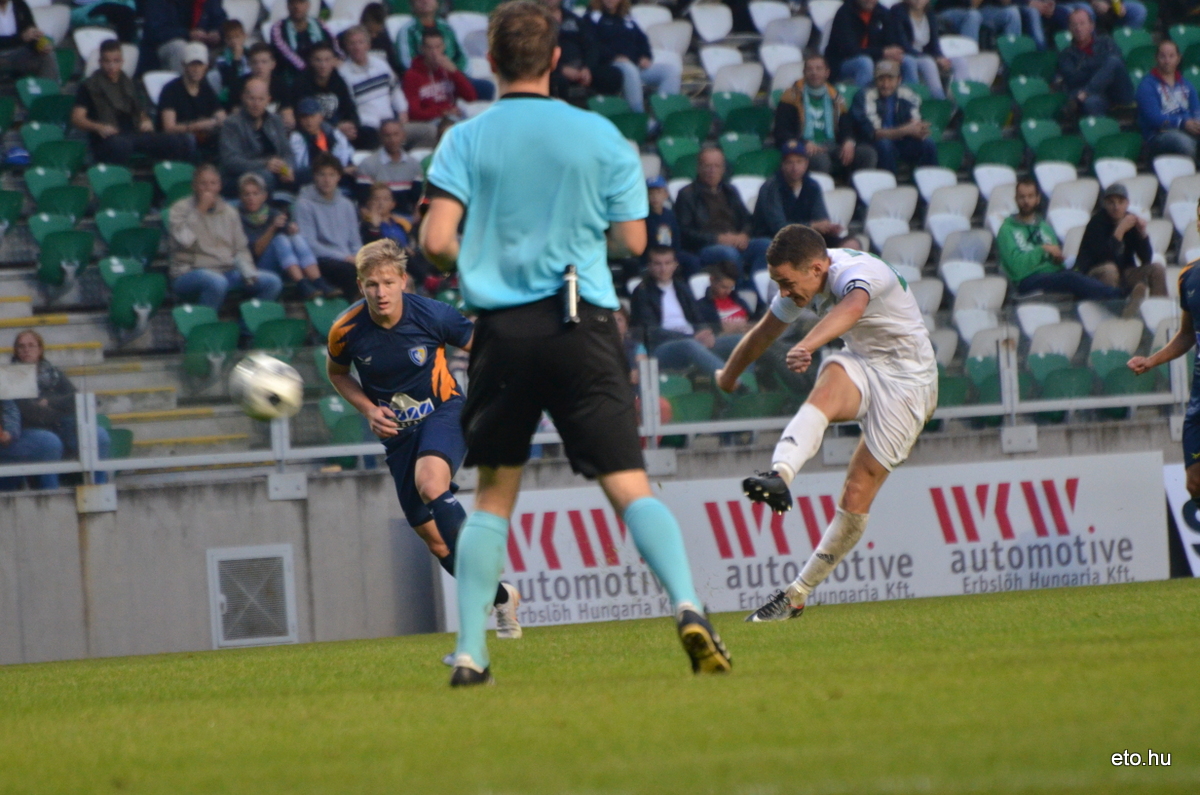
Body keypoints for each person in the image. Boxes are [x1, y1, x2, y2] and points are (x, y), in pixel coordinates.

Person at [420, 1, 730, 685]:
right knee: (629, 484)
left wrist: (485, 259)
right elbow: (634, 241)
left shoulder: (464, 139)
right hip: (583, 323)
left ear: (491, 61)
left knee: (493, 495)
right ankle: (687, 604)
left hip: (504, 330)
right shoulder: (602, 136)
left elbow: (436, 241)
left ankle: (471, 651)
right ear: (556, 60)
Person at [715, 226, 938, 622]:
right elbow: (763, 334)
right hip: (865, 363)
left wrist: (807, 344)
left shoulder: (857, 272)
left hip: (909, 384)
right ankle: (780, 474)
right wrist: (728, 376)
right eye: (778, 284)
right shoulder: (803, 280)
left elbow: (852, 307)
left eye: (786, 283)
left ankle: (796, 595)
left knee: (856, 492)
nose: (783, 292)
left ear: (817, 269)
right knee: (831, 378)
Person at [326, 239, 522, 648]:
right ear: (360, 285)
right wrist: (368, 409)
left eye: (388, 283)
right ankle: (502, 597)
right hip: (398, 437)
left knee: (431, 484)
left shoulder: (432, 315)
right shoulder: (345, 330)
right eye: (371, 284)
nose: (380, 292)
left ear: (403, 281)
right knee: (436, 542)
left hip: (444, 413)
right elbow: (338, 374)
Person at [1127, 204, 1200, 498]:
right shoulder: (1189, 276)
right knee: (1194, 483)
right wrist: (1151, 360)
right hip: (1199, 401)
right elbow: (1187, 334)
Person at [169, 164, 283, 311]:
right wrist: (200, 210)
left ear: (219, 186)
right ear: (194, 186)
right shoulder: (179, 209)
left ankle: (247, 324)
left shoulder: (229, 212)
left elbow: (240, 248)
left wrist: (247, 269)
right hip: (189, 272)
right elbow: (184, 240)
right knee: (216, 281)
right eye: (203, 183)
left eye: (213, 183)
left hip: (226, 271)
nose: (208, 188)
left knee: (272, 282)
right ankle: (206, 323)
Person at [997, 176, 1125, 300]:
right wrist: (1043, 250)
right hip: (1027, 279)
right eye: (1022, 197)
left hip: (1053, 274)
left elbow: (1056, 260)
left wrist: (1058, 259)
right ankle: (1119, 296)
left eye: (1030, 196)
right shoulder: (1006, 230)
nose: (1026, 201)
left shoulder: (1044, 227)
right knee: (1070, 278)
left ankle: (1115, 299)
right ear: (1016, 199)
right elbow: (1016, 268)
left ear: (1038, 199)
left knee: (1086, 272)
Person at [9, 330, 111, 484]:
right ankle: (50, 491)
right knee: (50, 442)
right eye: (21, 346)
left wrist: (50, 402)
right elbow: (31, 413)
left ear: (40, 349)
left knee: (99, 435)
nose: (26, 350)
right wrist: (60, 410)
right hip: (30, 430)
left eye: (31, 345)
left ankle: (99, 486)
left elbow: (75, 399)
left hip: (62, 426)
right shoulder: (11, 377)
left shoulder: (53, 373)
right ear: (16, 350)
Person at [71, 40, 194, 165]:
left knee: (176, 141)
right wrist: (98, 127)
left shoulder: (129, 83)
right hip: (108, 138)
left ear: (122, 61)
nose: (111, 66)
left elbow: (139, 110)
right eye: (107, 61)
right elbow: (77, 118)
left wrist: (146, 120)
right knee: (121, 145)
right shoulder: (89, 86)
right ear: (100, 62)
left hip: (134, 133)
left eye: (116, 61)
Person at [629, 246, 732, 380]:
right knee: (689, 345)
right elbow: (651, 331)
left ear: (675, 265)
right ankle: (731, 383)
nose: (663, 269)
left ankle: (747, 384)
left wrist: (705, 332)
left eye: (667, 263)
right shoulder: (642, 292)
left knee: (741, 341)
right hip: (661, 347)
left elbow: (698, 317)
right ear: (649, 266)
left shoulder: (682, 287)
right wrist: (691, 337)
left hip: (694, 340)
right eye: (658, 264)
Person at [773, 54, 876, 179]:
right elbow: (782, 131)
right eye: (810, 69)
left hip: (832, 145)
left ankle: (855, 188)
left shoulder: (835, 97)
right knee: (821, 161)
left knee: (867, 154)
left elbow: (846, 125)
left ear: (827, 73)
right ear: (804, 72)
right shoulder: (790, 97)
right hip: (805, 146)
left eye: (819, 68)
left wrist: (848, 141)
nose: (814, 72)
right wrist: (804, 143)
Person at [237, 172, 338, 300]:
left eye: (255, 194)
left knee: (296, 238)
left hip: (284, 265)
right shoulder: (238, 218)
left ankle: (318, 280)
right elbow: (255, 252)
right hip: (256, 267)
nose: (251, 198)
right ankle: (301, 283)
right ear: (241, 197)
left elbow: (289, 232)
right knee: (279, 240)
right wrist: (272, 228)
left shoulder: (272, 212)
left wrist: (292, 230)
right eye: (247, 194)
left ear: (264, 196)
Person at [675, 147, 771, 277]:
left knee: (767, 245)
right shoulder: (687, 194)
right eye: (707, 166)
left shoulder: (730, 191)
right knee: (729, 254)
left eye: (717, 166)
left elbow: (747, 219)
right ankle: (737, 287)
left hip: (735, 241)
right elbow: (685, 232)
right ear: (699, 168)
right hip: (706, 247)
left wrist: (744, 235)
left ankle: (755, 284)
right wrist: (717, 239)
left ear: (723, 169)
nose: (712, 170)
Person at [753, 140, 852, 248]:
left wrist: (828, 228)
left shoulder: (812, 186)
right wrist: (812, 226)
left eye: (799, 162)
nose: (795, 167)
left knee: (850, 243)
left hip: (804, 239)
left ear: (806, 163)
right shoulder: (771, 187)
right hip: (774, 242)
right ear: (782, 165)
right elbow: (778, 228)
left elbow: (820, 218)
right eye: (789, 162)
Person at [589, 0, 681, 114]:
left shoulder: (627, 18)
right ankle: (638, 115)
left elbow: (642, 40)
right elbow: (592, 44)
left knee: (670, 71)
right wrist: (613, 57)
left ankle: (664, 116)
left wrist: (645, 56)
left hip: (634, 63)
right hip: (611, 65)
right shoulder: (593, 17)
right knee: (629, 69)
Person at [1075, 182, 1166, 297]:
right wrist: (1119, 232)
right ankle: (1113, 305)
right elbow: (1102, 258)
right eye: (1111, 202)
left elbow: (1146, 258)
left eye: (1120, 202)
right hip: (1095, 272)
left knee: (1157, 269)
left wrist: (1142, 234)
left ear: (1127, 204)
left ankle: (1159, 304)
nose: (1116, 207)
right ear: (1105, 204)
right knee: (1110, 270)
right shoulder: (1096, 223)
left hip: (1125, 272)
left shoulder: (1131, 221)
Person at [294, 154, 362, 300]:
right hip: (321, 259)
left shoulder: (347, 204)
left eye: (331, 175)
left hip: (347, 258)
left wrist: (358, 257)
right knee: (349, 272)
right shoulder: (304, 204)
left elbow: (355, 241)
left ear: (338, 177)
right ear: (314, 176)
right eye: (322, 174)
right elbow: (309, 244)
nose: (327, 180)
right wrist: (345, 257)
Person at [850, 60, 936, 174]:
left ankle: (930, 180)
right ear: (875, 80)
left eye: (890, 79)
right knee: (885, 144)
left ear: (899, 79)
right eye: (881, 79)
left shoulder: (907, 93)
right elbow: (874, 133)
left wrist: (919, 128)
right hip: (871, 143)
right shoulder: (864, 95)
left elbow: (915, 121)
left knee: (927, 143)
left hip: (900, 141)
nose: (885, 85)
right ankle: (889, 182)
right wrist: (906, 130)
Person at [398, 0, 495, 100]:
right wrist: (436, 71)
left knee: (486, 87)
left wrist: (455, 72)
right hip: (425, 81)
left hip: (451, 77)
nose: (425, 1)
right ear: (412, 3)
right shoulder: (407, 30)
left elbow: (462, 56)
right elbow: (407, 62)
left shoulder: (446, 27)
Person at [219, 77, 296, 195]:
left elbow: (287, 152)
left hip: (276, 171)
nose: (256, 104)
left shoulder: (275, 120)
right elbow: (231, 161)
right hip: (243, 176)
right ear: (243, 98)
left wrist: (287, 168)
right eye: (252, 99)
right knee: (265, 177)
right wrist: (265, 164)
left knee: (308, 174)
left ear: (268, 100)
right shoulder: (232, 124)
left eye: (261, 99)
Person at [339, 25, 409, 151]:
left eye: (361, 42)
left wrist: (402, 110)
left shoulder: (381, 64)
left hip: (392, 122)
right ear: (346, 47)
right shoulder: (343, 74)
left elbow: (395, 90)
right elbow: (349, 109)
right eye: (352, 43)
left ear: (368, 45)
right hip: (369, 128)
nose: (357, 47)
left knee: (427, 132)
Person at [401, 29, 477, 140]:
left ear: (443, 47)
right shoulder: (412, 75)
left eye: (438, 47)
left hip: (453, 116)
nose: (434, 53)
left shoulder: (448, 69)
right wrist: (442, 112)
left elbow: (471, 97)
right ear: (422, 49)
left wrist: (455, 72)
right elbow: (414, 112)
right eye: (429, 48)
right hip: (431, 121)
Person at [1057, 8, 1133, 118]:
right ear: (1069, 29)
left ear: (1091, 26)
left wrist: (1087, 68)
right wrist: (1101, 67)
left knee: (1113, 61)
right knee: (1090, 103)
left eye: (1082, 24)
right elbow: (1074, 78)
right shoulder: (1066, 55)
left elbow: (1118, 64)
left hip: (1117, 90)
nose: (1078, 28)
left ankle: (1087, 92)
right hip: (1095, 96)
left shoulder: (1106, 42)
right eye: (1074, 25)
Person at [545, 0, 622, 106]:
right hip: (555, 69)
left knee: (612, 75)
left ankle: (603, 110)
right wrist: (561, 69)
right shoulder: (537, 21)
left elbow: (591, 46)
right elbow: (538, 52)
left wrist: (587, 68)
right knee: (557, 82)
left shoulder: (574, 19)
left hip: (581, 68)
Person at [158, 43, 227, 158]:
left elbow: (221, 116)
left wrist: (215, 122)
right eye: (192, 65)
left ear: (206, 66)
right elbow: (169, 127)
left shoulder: (206, 89)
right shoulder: (170, 90)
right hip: (178, 140)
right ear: (184, 65)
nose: (196, 69)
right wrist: (197, 126)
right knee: (189, 140)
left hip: (203, 137)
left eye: (200, 65)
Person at [1137, 40, 1200, 160]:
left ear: (1178, 58)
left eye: (1171, 56)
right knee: (1184, 143)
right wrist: (1182, 123)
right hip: (1159, 135)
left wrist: (1197, 124)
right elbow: (1154, 118)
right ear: (1156, 58)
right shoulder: (1147, 85)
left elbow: (1196, 110)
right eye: (1163, 56)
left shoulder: (1186, 84)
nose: (1167, 61)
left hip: (1187, 129)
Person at [291, 42, 360, 147]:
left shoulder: (339, 81)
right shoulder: (301, 84)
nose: (323, 65)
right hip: (314, 132)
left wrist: (351, 125)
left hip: (341, 127)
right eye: (318, 60)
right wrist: (335, 128)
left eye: (327, 60)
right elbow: (305, 117)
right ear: (311, 61)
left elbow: (349, 107)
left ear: (334, 61)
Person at [357, 119, 423, 214]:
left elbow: (417, 200)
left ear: (403, 136)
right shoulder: (368, 164)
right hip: (378, 217)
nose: (392, 140)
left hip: (406, 218)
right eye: (387, 136)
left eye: (396, 134)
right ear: (381, 137)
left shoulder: (414, 164)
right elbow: (363, 203)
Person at [887, 0, 949, 100]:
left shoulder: (929, 13)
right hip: (905, 54)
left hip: (924, 55)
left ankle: (962, 101)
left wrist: (940, 57)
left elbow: (934, 43)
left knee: (959, 62)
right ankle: (938, 100)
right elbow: (903, 44)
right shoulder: (898, 11)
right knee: (928, 63)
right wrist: (933, 58)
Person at [141, 0, 224, 74]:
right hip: (162, 46)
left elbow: (220, 21)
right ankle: (184, 85)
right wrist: (188, 34)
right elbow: (156, 32)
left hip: (202, 44)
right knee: (180, 47)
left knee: (226, 45)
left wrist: (217, 33)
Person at [825, 0, 894, 88]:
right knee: (864, 63)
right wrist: (881, 52)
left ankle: (903, 95)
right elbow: (849, 49)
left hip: (875, 58)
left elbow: (892, 40)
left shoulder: (882, 12)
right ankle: (862, 95)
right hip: (842, 63)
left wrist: (893, 52)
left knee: (906, 61)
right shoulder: (845, 12)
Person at [271, 0, 343, 83]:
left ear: (308, 5)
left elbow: (333, 46)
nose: (297, 7)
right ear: (287, 6)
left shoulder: (319, 24)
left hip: (323, 73)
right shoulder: (278, 28)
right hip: (293, 76)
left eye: (301, 2)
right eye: (293, 3)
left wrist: (337, 59)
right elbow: (285, 54)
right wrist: (309, 70)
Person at [290, 97, 355, 186]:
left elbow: (346, 154)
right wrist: (341, 171)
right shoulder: (297, 138)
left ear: (320, 117)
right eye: (304, 117)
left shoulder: (333, 133)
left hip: (338, 176)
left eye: (312, 116)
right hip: (312, 181)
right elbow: (301, 168)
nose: (309, 121)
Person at [644, 175, 700, 279]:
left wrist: (674, 254)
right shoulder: (644, 217)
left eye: (658, 192)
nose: (655, 197)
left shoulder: (670, 214)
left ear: (666, 194)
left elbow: (676, 237)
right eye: (650, 193)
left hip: (671, 252)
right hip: (653, 254)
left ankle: (687, 286)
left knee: (692, 260)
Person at [0, 399, 62, 491]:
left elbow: (9, 408)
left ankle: (50, 496)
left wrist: (10, 432)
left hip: (5, 443)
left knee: (49, 442)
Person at [232, 43, 293, 126]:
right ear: (249, 64)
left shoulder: (281, 85)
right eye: (255, 62)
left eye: (264, 62)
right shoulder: (240, 84)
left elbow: (287, 113)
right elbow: (235, 112)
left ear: (273, 64)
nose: (259, 66)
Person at [0, 0, 59, 81]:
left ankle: (49, 88)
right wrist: (21, 38)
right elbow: (22, 38)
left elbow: (30, 28)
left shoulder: (19, 5)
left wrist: (40, 45)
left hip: (18, 54)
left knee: (45, 58)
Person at [935, 0, 1021, 46]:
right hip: (949, 10)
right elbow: (972, 4)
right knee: (973, 16)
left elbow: (1006, 3)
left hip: (983, 11)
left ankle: (1012, 61)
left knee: (1012, 12)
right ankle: (970, 62)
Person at [360, 183, 414, 248]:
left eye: (385, 199)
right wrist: (374, 226)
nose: (381, 203)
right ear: (369, 202)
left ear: (393, 204)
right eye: (376, 199)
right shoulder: (366, 225)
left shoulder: (401, 224)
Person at [360, 2, 404, 78]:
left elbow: (393, 65)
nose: (374, 36)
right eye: (369, 32)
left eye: (377, 32)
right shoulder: (351, 41)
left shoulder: (384, 40)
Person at [210, 19, 250, 101]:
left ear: (244, 36)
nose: (234, 41)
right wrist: (236, 59)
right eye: (230, 38)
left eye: (237, 37)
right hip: (230, 93)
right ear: (226, 40)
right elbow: (229, 80)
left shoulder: (250, 54)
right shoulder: (221, 57)